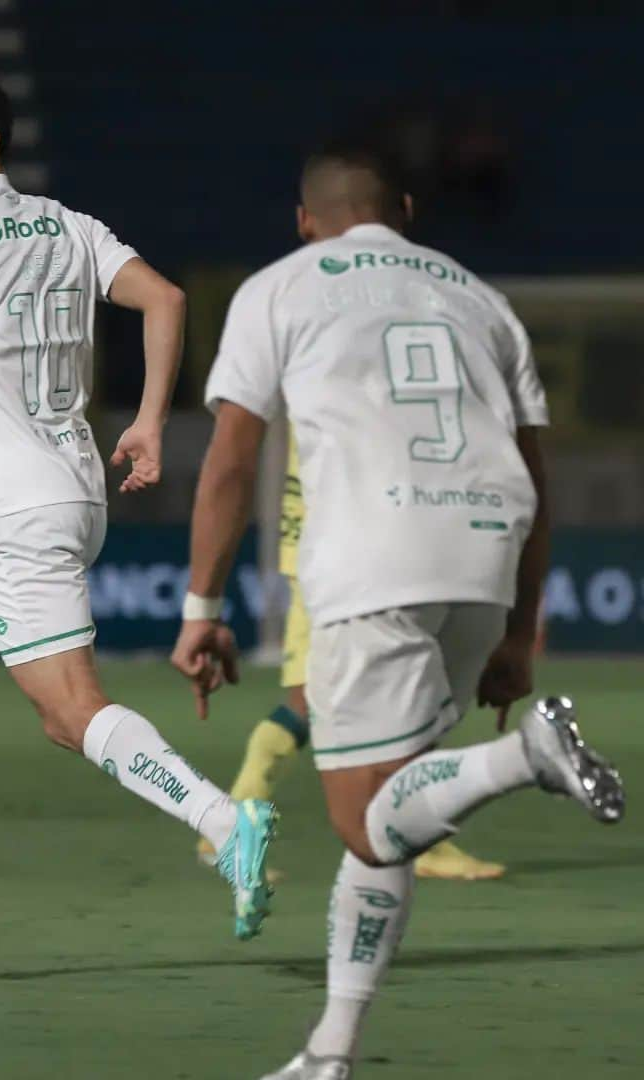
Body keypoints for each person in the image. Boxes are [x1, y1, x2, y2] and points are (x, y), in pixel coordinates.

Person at [170, 142, 624, 1079]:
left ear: (306, 219)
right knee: (396, 819)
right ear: (406, 209)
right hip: (486, 548)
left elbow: (228, 463)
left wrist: (202, 604)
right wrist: (518, 630)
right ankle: (331, 1050)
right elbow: (539, 474)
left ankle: (525, 754)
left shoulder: (280, 287)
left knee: (365, 823)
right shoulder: (480, 297)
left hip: (373, 559)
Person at [0, 67, 276, 946]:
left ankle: (225, 821)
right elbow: (166, 297)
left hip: (16, 508)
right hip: (68, 493)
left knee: (70, 712)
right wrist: (151, 422)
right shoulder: (70, 226)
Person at [196, 432, 508, 883]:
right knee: (332, 701)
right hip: (336, 556)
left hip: (331, 550)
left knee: (330, 701)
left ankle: (229, 827)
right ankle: (229, 828)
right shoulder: (346, 383)